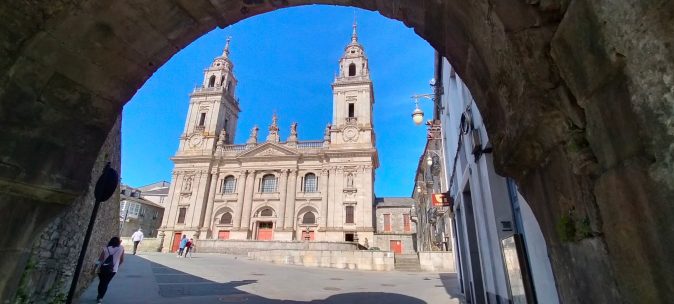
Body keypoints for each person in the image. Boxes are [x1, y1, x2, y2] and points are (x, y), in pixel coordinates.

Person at [95, 237, 124, 303]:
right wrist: (117, 266)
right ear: (118, 242)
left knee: (101, 282)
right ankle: (100, 298)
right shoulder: (121, 248)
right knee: (106, 283)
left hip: (102, 268)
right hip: (113, 270)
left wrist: (95, 267)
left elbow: (100, 259)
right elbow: (122, 260)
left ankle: (99, 295)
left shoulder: (106, 248)